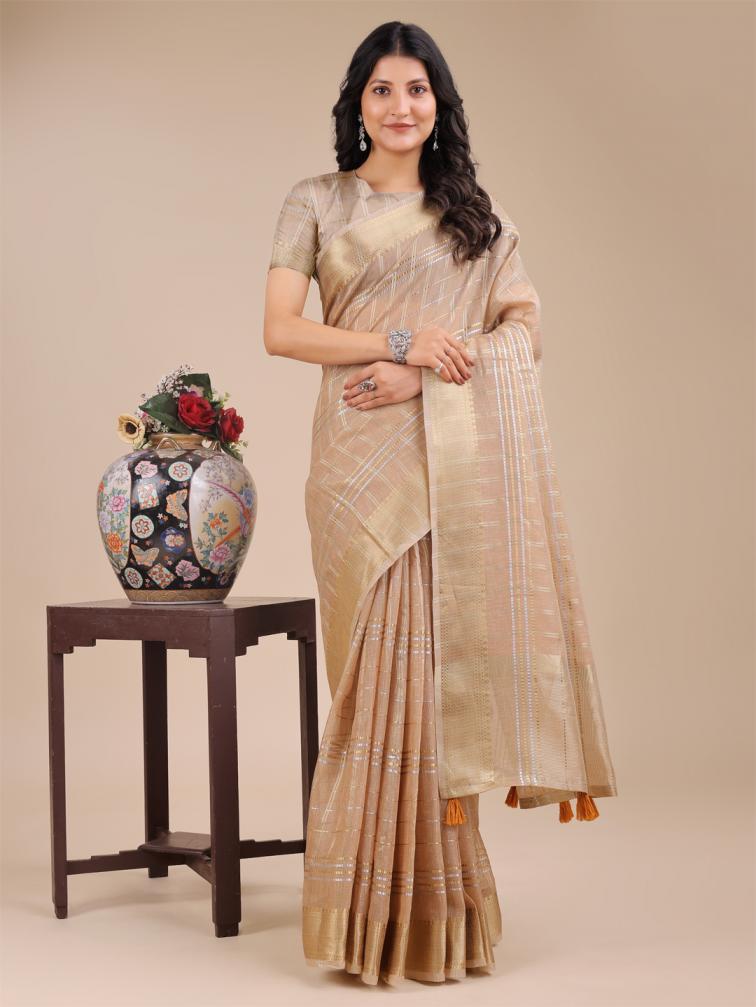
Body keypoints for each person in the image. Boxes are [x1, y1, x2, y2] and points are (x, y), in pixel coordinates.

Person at [263, 21, 618, 987]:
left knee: (427, 685)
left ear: (440, 103)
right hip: (354, 469)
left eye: (417, 89)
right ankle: (363, 919)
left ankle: (428, 920)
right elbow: (282, 331)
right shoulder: (316, 200)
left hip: (444, 467)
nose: (400, 106)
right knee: (370, 685)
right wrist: (399, 339)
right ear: (358, 103)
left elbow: (522, 333)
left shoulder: (476, 219)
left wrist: (422, 374)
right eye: (382, 89)